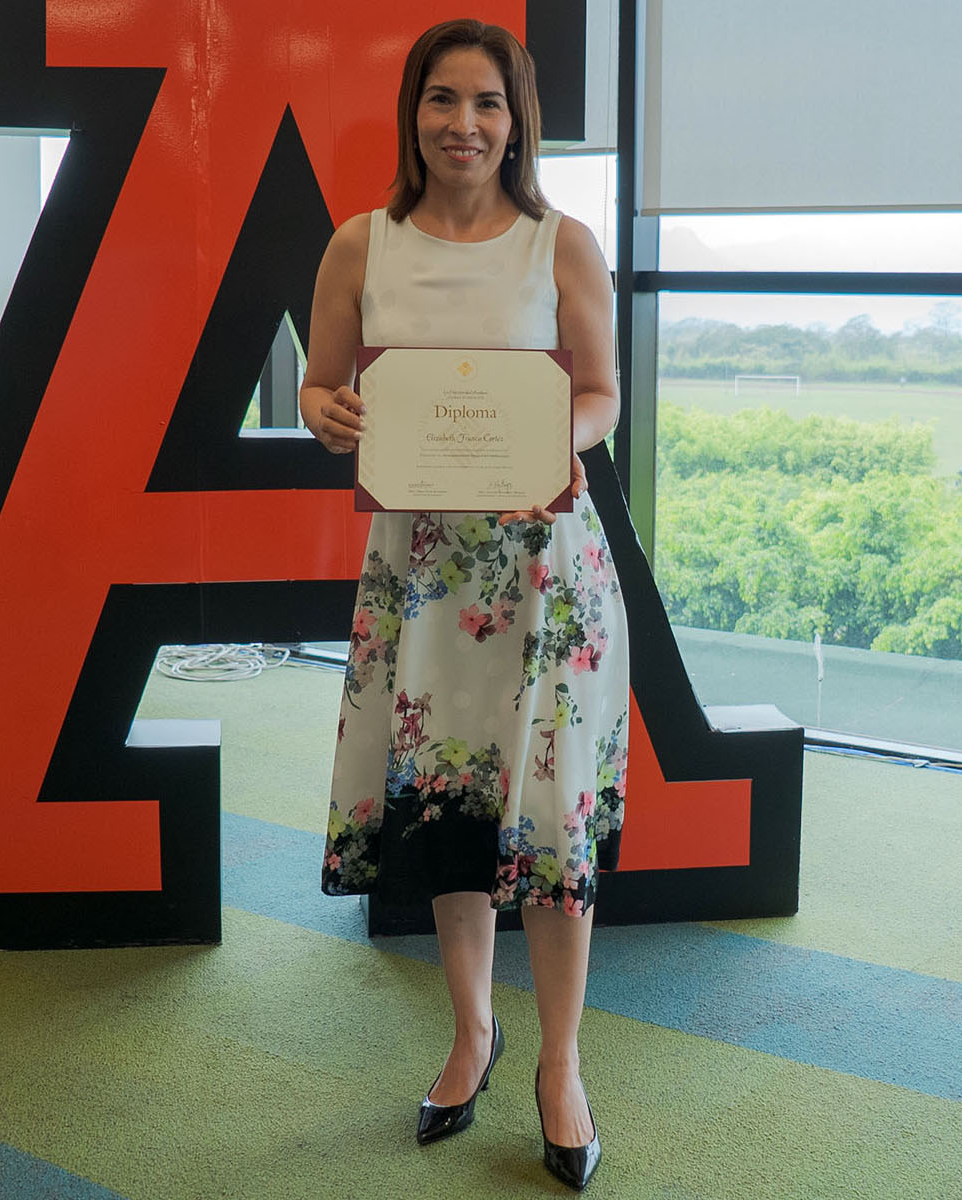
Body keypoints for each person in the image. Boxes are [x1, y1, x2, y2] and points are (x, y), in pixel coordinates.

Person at [300, 18, 627, 1192]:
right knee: (449, 810)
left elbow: (599, 396)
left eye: (487, 104)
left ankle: (561, 1066)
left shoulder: (562, 245)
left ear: (517, 119)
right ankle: (474, 1035)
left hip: (545, 575)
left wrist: (558, 435)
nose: (464, 125)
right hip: (425, 581)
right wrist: (324, 410)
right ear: (414, 113)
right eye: (443, 101)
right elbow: (323, 388)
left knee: (546, 821)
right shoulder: (360, 245)